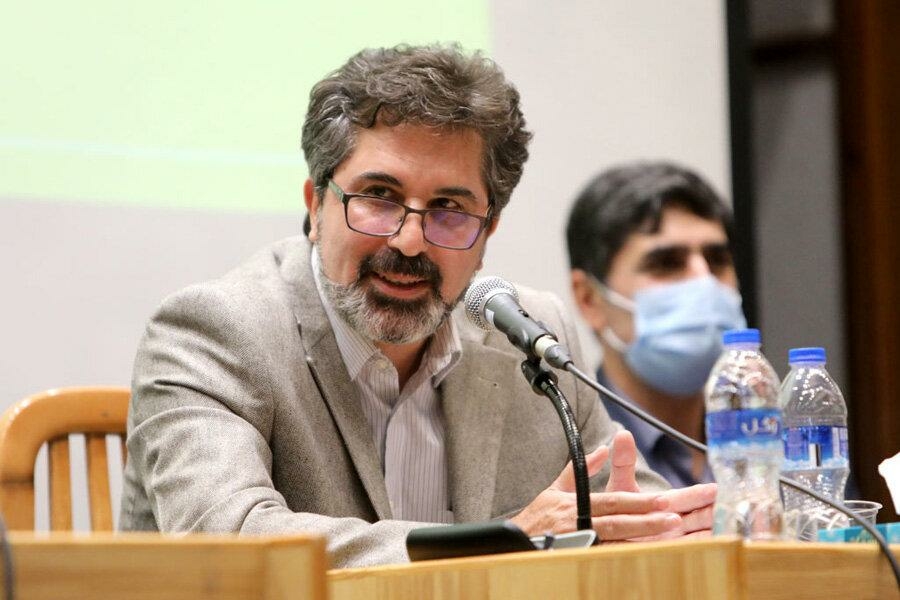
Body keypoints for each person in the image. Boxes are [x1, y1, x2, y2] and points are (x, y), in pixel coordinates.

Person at [120, 46, 715, 568]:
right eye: (379, 196)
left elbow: (639, 510)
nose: (409, 241)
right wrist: (503, 543)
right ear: (316, 204)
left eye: (449, 209)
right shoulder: (215, 330)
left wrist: (665, 523)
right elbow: (230, 538)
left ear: (487, 232)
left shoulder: (530, 332)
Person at [566, 161, 747, 488]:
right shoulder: (568, 455)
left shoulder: (779, 437)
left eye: (717, 260)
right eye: (667, 263)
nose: (703, 281)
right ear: (589, 299)